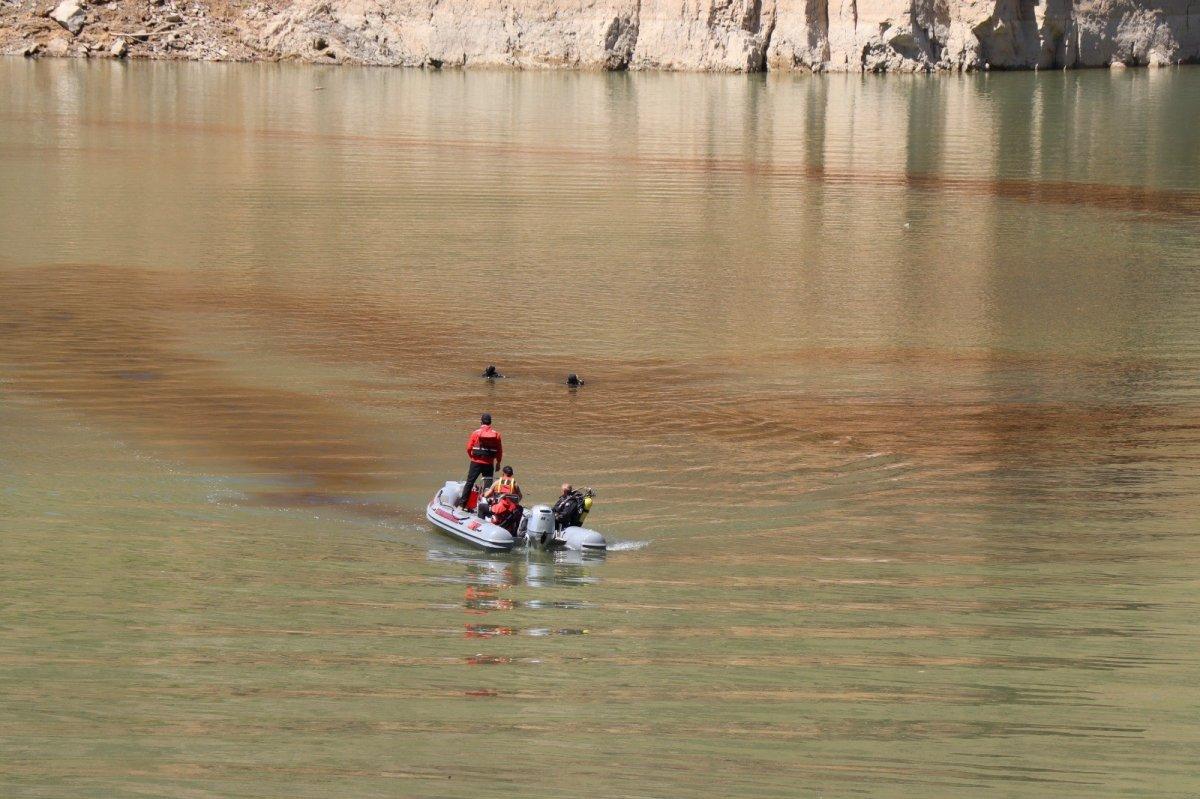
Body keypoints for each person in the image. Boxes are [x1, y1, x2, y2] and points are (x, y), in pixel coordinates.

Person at [458, 413, 503, 510]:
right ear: (490, 422)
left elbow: (469, 448)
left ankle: (462, 504)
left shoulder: (475, 433)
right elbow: (499, 451)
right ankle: (485, 506)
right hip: (489, 463)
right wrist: (498, 462)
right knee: (488, 486)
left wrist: (472, 457)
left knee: (469, 483)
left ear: (481, 422)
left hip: (476, 462)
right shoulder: (497, 435)